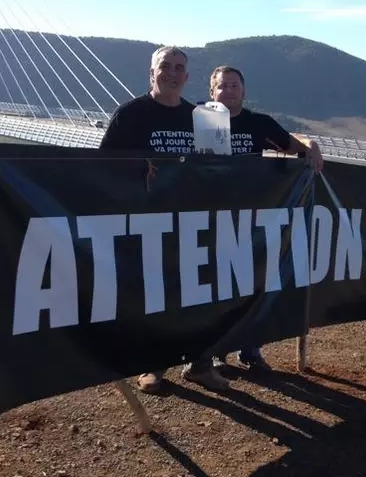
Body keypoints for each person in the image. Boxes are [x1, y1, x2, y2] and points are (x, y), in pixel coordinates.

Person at [180, 65, 323, 386]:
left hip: (251, 221)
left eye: (234, 85)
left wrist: (310, 143)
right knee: (212, 289)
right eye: (222, 86)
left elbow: (291, 144)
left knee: (253, 283)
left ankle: (250, 348)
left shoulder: (258, 123)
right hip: (208, 220)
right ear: (212, 93)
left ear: (243, 91)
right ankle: (214, 351)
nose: (228, 91)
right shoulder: (199, 121)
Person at [99, 45, 228, 394]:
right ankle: (151, 366)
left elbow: (219, 170)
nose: (171, 73)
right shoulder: (129, 115)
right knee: (152, 297)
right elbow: (103, 169)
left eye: (178, 67)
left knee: (199, 294)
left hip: (194, 223)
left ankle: (199, 364)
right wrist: (138, 168)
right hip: (147, 224)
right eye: (164, 66)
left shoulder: (205, 118)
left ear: (187, 77)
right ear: (151, 73)